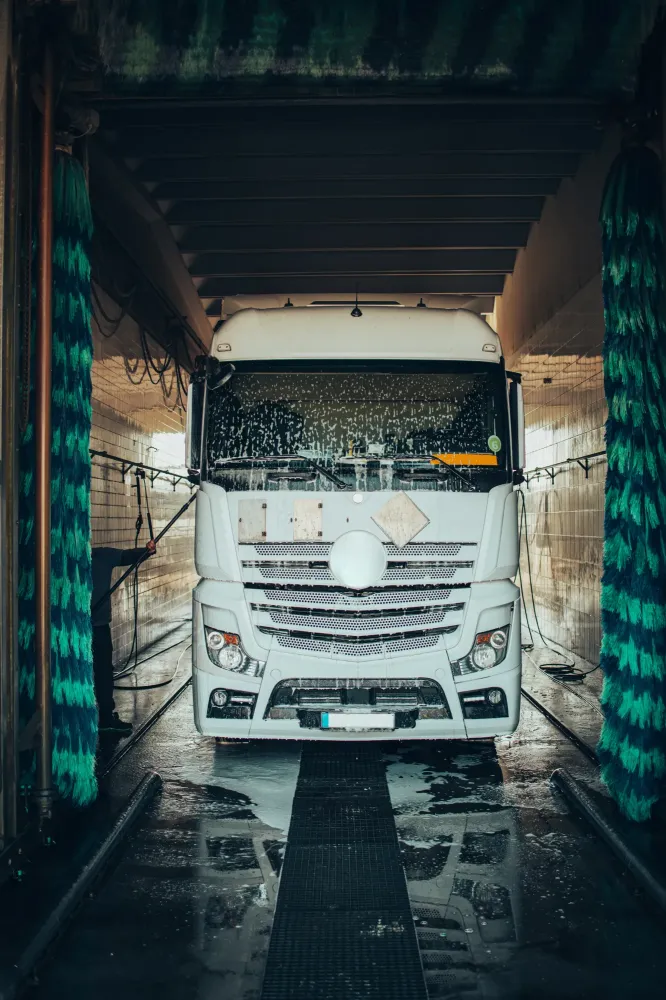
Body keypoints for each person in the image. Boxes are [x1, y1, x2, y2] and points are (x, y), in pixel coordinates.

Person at [91, 539, 156, 735]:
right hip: (91, 627)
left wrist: (147, 550)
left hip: (96, 626)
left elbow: (127, 556)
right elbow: (126, 556)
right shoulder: (99, 555)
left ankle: (104, 717)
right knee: (102, 672)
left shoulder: (100, 555)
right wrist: (146, 551)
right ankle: (103, 718)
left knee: (102, 672)